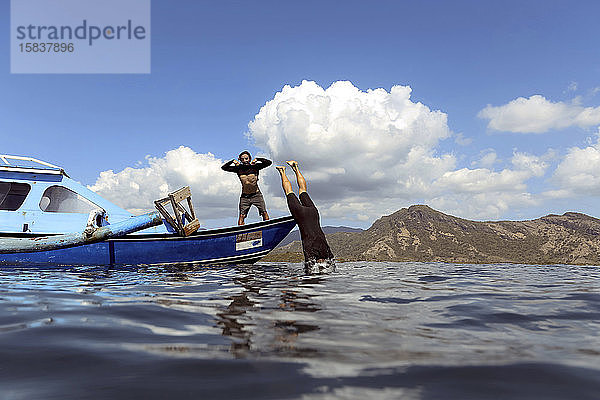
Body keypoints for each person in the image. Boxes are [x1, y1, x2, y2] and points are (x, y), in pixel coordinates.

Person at [276, 160, 335, 272]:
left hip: (313, 213)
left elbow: (331, 262)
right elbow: (310, 266)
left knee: (303, 190)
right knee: (289, 191)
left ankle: (296, 167)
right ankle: (282, 171)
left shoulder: (327, 251)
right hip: (301, 215)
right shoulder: (313, 252)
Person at [222, 151, 271, 225]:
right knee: (242, 216)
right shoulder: (238, 168)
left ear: (250, 159)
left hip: (256, 194)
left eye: (246, 158)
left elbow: (268, 163)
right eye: (242, 159)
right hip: (245, 196)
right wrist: (232, 161)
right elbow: (224, 167)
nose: (245, 160)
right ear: (240, 160)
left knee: (264, 212)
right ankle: (241, 232)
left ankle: (267, 227)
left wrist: (258, 159)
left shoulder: (255, 166)